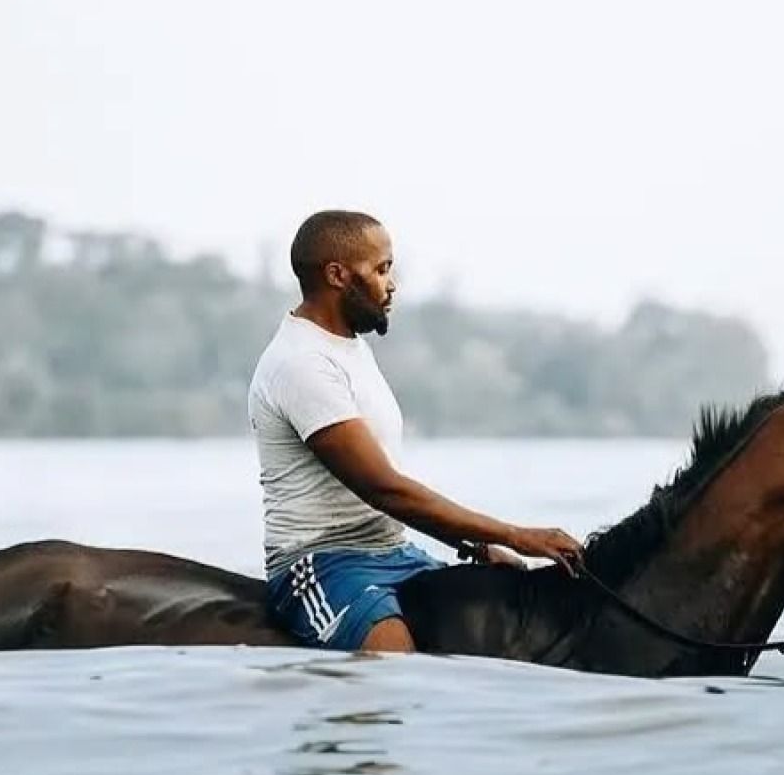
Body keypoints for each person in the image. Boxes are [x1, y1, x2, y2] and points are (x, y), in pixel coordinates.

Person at [248, 209, 585, 653]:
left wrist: (478, 548)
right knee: (395, 659)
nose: (392, 284)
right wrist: (514, 535)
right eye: (381, 269)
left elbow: (391, 499)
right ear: (337, 275)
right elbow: (385, 489)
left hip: (394, 552)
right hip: (322, 564)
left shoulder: (349, 348)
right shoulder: (301, 363)